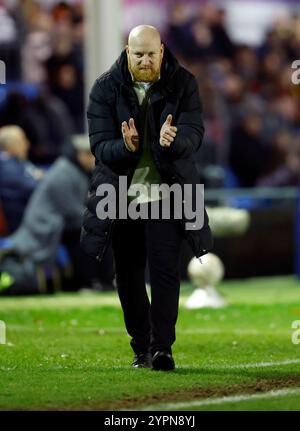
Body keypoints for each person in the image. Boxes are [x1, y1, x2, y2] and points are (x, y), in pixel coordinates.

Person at [81, 25, 213, 371]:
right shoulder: (105, 89)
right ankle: (140, 346)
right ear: (127, 53)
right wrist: (125, 147)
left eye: (151, 53)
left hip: (167, 193)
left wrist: (175, 140)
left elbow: (194, 134)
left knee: (166, 271)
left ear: (162, 51)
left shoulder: (184, 83)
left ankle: (161, 349)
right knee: (127, 275)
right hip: (120, 194)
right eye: (138, 54)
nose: (145, 60)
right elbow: (100, 147)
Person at [0, 135, 114, 294]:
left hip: (62, 222)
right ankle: (88, 282)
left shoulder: (75, 171)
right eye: (92, 156)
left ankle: (105, 281)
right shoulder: (65, 172)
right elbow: (72, 210)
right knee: (89, 233)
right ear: (81, 155)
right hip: (46, 225)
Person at [0, 125, 43, 233]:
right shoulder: (7, 168)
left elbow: (38, 174)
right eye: (22, 140)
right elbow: (35, 189)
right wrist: (39, 178)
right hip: (21, 224)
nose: (27, 144)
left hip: (31, 214)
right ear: (10, 145)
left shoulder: (18, 160)